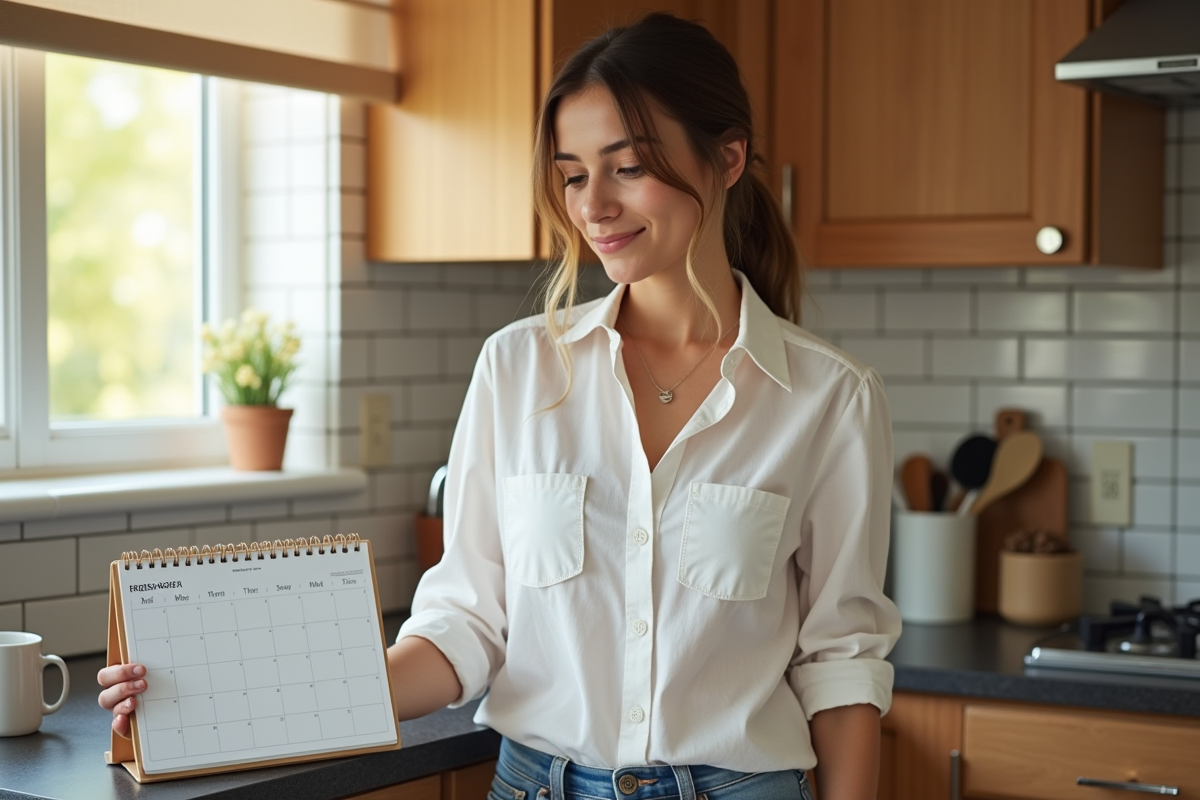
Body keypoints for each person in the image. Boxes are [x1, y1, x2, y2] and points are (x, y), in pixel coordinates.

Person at [99, 13, 900, 799]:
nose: (594, 207)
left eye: (627, 167)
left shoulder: (829, 398)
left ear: (728, 159)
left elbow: (842, 661)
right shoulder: (518, 370)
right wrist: (218, 702)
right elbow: (466, 627)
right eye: (575, 174)